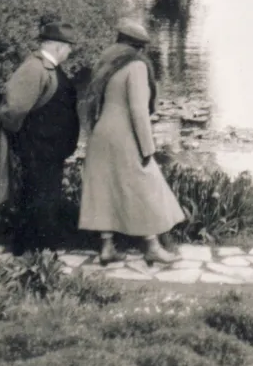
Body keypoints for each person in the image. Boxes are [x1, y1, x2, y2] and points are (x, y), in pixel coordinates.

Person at [79, 20, 184, 266]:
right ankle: (153, 247)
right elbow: (138, 110)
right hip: (124, 135)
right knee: (145, 186)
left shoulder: (105, 64)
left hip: (101, 134)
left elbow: (90, 103)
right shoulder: (136, 66)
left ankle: (107, 247)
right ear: (139, 47)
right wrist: (147, 147)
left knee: (105, 188)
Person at [0, 21, 81, 255]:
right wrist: (24, 140)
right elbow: (14, 109)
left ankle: (36, 245)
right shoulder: (34, 68)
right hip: (38, 148)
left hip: (49, 149)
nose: (70, 52)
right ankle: (35, 247)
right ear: (57, 46)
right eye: (68, 47)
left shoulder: (48, 67)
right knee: (38, 196)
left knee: (43, 196)